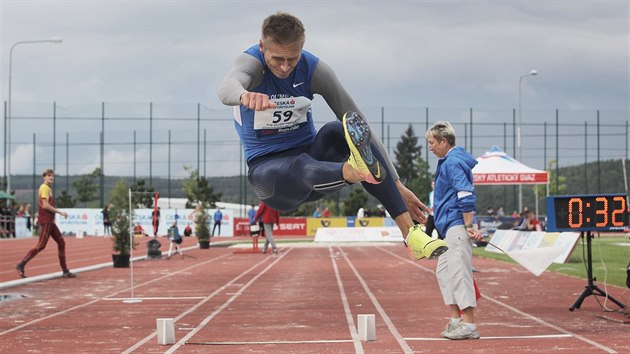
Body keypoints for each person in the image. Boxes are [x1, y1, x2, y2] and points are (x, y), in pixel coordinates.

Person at [217, 12, 446, 259]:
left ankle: (412, 236)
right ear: (263, 47)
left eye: (292, 59)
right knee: (301, 165)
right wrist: (243, 95)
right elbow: (227, 87)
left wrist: (396, 183)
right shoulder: (252, 64)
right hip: (272, 178)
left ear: (302, 48)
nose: (284, 67)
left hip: (318, 169)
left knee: (342, 129)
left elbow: (360, 123)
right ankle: (354, 170)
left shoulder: (313, 69)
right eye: (277, 59)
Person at [426, 121, 483, 340]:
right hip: (448, 227)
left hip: (457, 226)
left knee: (459, 273)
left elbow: (465, 194)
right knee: (444, 273)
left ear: (443, 141)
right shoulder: (447, 162)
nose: (430, 147)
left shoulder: (453, 163)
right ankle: (455, 320)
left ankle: (469, 325)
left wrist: (469, 226)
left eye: (432, 142)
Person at [16, 169, 76, 279]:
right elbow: (45, 205)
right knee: (41, 245)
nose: (51, 178)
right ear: (44, 177)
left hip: (50, 222)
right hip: (46, 221)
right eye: (49, 176)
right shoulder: (44, 188)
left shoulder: (48, 188)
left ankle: (65, 270)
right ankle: (21, 264)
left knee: (61, 243)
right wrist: (59, 212)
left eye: (53, 176)